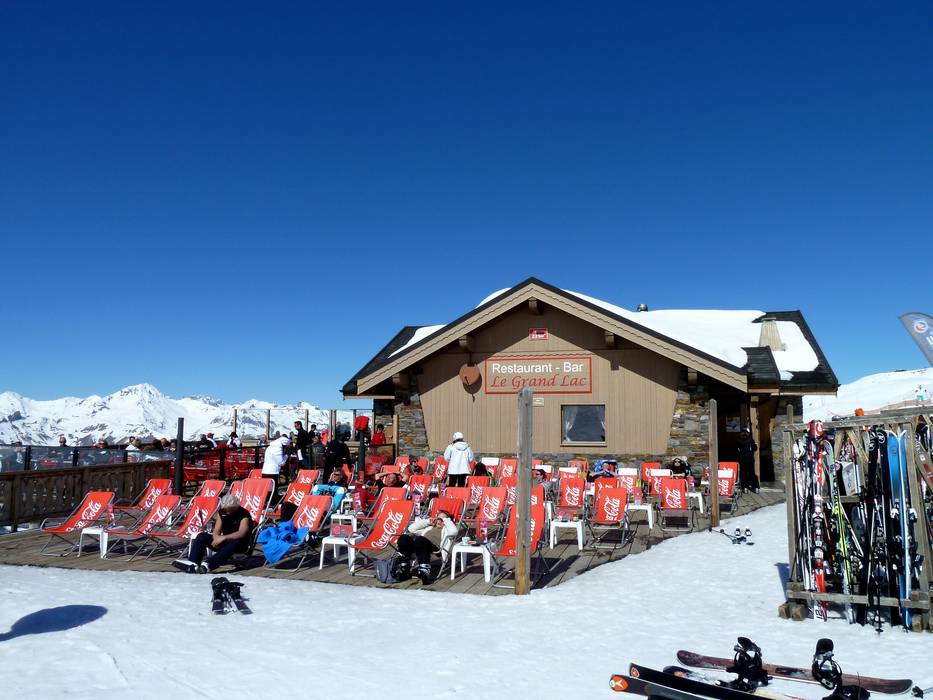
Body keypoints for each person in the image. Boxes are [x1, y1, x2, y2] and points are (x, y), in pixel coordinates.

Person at [173, 494, 253, 573]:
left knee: (235, 542)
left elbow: (242, 533)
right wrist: (216, 538)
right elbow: (217, 529)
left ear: (236, 506)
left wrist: (223, 538)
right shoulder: (222, 512)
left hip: (240, 543)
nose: (227, 511)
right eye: (226, 509)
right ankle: (193, 563)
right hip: (225, 541)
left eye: (230, 509)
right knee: (201, 536)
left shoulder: (244, 514)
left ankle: (208, 565)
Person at [396, 509, 459, 584]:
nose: (439, 521)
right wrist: (428, 521)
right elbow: (411, 528)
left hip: (435, 551)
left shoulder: (447, 531)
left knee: (420, 539)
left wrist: (446, 520)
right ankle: (404, 567)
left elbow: (454, 531)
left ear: (447, 521)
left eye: (442, 520)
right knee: (403, 538)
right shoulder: (428, 528)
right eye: (438, 519)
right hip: (420, 547)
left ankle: (425, 570)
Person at [736, 427, 759, 493]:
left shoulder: (739, 440)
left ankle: (745, 487)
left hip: (743, 459)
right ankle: (755, 487)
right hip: (749, 459)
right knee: (752, 473)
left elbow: (737, 449)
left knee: (744, 473)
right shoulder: (750, 440)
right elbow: (755, 448)